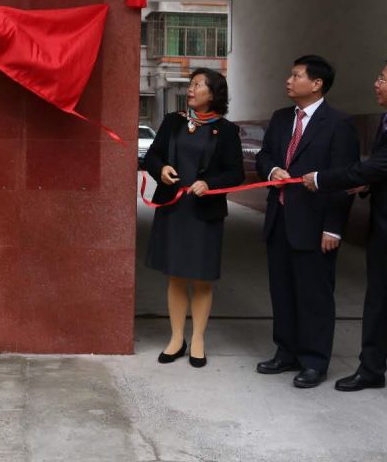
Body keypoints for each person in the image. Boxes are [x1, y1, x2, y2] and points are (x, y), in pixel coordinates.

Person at [303, 57, 387, 404]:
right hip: (386, 228)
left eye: (382, 79)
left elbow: (374, 167)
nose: (376, 83)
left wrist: (321, 179)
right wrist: (362, 187)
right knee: (378, 304)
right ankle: (371, 370)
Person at [254, 55, 359, 388]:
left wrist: (333, 227)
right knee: (282, 291)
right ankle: (286, 352)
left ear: (316, 84)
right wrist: (272, 170)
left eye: (296, 75)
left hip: (315, 226)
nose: (288, 80)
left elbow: (344, 179)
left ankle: (314, 360)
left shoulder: (339, 124)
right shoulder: (281, 117)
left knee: (314, 295)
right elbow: (264, 155)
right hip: (280, 218)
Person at [144, 68, 245, 368]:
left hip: (205, 212)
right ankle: (177, 338)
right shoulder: (173, 122)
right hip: (174, 208)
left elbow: (236, 173)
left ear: (213, 94)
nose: (191, 89)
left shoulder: (227, 131)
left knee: (201, 277)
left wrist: (211, 184)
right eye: (191, 84)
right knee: (175, 275)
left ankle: (198, 338)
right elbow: (153, 156)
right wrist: (160, 169)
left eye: (198, 85)